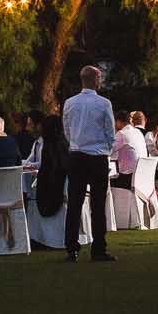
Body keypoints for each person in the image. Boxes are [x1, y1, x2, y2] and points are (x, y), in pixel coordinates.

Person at [60, 67, 115, 262]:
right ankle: (98, 248)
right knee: (98, 204)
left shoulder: (69, 103)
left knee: (74, 203)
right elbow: (110, 131)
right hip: (97, 156)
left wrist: (76, 142)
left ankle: (71, 248)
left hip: (76, 155)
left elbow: (67, 130)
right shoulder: (103, 103)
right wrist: (106, 148)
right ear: (96, 80)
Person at [111, 110, 148, 190]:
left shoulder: (122, 133)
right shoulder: (138, 132)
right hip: (142, 177)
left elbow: (107, 151)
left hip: (129, 179)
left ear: (118, 121)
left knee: (105, 181)